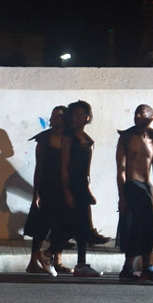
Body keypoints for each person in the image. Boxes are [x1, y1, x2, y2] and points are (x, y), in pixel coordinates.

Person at [115, 105, 153, 281]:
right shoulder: (126, 137)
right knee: (135, 227)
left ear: (151, 118)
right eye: (136, 113)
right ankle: (130, 267)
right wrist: (122, 197)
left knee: (150, 227)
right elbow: (121, 170)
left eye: (142, 114)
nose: (137, 116)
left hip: (146, 187)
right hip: (131, 186)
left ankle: (144, 267)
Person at [24, 106, 71, 276]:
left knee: (62, 224)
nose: (55, 118)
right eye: (53, 115)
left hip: (65, 186)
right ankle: (32, 262)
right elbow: (39, 167)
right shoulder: (44, 139)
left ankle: (57, 261)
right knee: (41, 225)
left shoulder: (71, 138)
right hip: (47, 186)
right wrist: (36, 193)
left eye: (59, 115)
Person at [58, 100, 103, 277]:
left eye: (83, 114)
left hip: (81, 186)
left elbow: (86, 170)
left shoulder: (84, 137)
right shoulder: (69, 138)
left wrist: (88, 189)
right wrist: (68, 191)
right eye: (75, 114)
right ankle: (48, 255)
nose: (80, 118)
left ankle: (81, 264)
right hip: (72, 186)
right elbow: (64, 167)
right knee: (71, 226)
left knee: (82, 227)